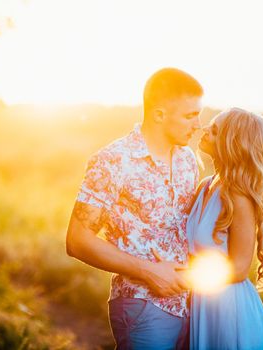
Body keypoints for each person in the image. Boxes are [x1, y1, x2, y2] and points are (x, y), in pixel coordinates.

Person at [66, 67, 204, 349]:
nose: (198, 124)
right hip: (143, 306)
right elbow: (77, 241)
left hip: (193, 308)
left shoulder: (188, 160)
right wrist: (148, 271)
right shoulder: (114, 161)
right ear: (159, 114)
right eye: (190, 115)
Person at [187, 107, 263, 349]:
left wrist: (185, 278)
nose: (205, 129)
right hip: (203, 302)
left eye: (215, 131)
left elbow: (240, 268)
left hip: (230, 311)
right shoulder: (205, 186)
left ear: (232, 144)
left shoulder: (237, 196)